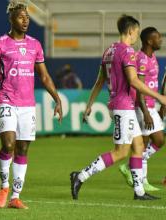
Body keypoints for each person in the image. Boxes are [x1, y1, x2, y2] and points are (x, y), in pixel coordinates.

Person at [0, 2, 63, 209]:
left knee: (22, 149)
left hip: (27, 105)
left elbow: (44, 76)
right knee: (9, 145)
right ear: (11, 19)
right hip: (7, 100)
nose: (25, 21)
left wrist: (56, 99)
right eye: (21, 17)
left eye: (27, 17)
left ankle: (15, 196)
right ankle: (4, 186)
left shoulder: (35, 45)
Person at [72, 15, 166, 200]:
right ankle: (80, 176)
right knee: (121, 152)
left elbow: (99, 81)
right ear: (131, 30)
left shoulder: (109, 50)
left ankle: (139, 192)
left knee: (138, 146)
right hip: (123, 105)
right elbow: (134, 81)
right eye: (137, 32)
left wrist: (89, 105)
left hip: (121, 105)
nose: (136, 36)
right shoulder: (128, 52)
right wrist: (159, 97)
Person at [118, 27, 164, 191]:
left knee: (158, 141)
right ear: (149, 41)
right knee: (145, 144)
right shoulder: (141, 59)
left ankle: (132, 169)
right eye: (158, 38)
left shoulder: (153, 57)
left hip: (151, 105)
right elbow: (138, 86)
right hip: (142, 106)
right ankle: (141, 180)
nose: (160, 40)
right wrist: (145, 112)